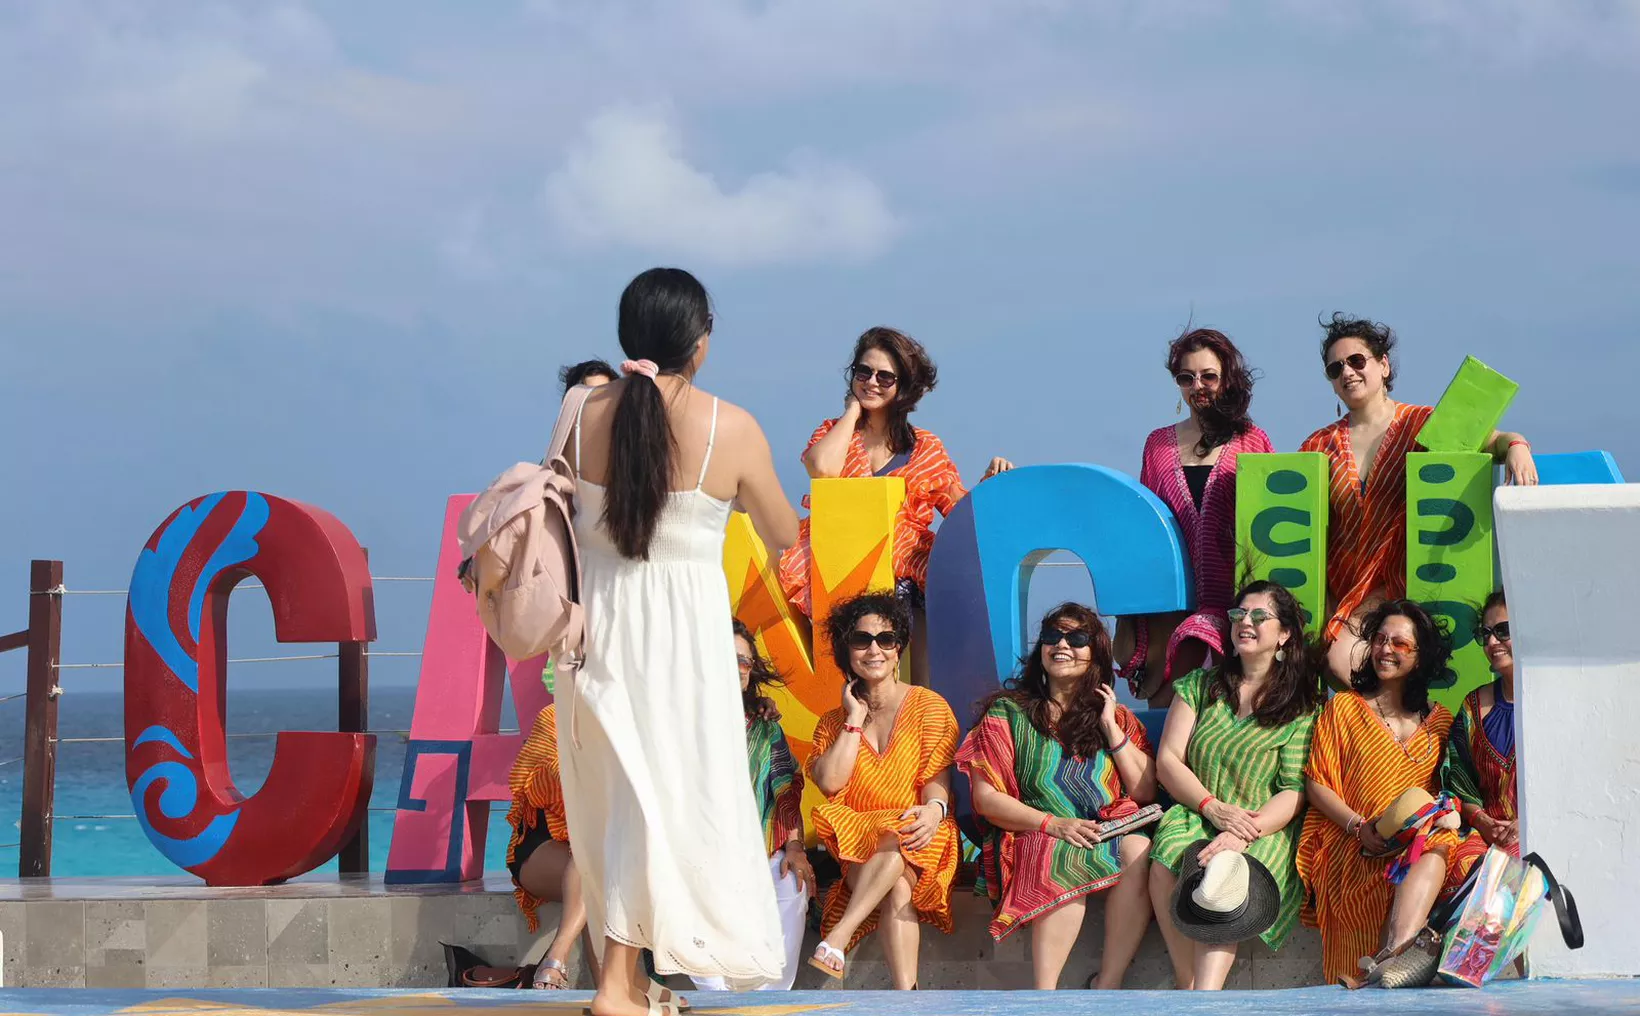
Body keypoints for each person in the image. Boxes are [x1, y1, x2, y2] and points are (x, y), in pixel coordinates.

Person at [559, 267, 801, 1016]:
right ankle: (614, 987)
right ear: (699, 342)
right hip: (682, 639)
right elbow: (783, 533)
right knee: (662, 801)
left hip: (595, 626)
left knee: (613, 802)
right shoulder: (731, 426)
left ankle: (631, 980)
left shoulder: (580, 409)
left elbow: (558, 511)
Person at [1299, 314, 1538, 687]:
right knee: (1331, 666)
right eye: (1335, 368)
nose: (1347, 372)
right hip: (1340, 588)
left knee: (1343, 662)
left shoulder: (1423, 423)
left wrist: (1518, 447)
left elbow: (1493, 439)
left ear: (1383, 364)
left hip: (1404, 583)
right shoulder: (1318, 445)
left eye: (1357, 360)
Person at [776, 327, 1012, 684]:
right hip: (836, 577)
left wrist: (991, 485)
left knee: (913, 687)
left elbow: (960, 514)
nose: (871, 382)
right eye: (863, 371)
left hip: (902, 581)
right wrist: (852, 412)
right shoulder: (832, 432)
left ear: (903, 386)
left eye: (884, 376)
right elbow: (822, 469)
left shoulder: (925, 448)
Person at [956, 602, 1159, 990]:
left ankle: (1108, 985)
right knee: (1061, 853)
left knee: (1138, 849)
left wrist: (1110, 728)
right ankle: (1045, 996)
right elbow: (986, 799)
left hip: (1103, 831)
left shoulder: (1116, 718)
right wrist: (1055, 824)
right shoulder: (1007, 713)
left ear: (1095, 654)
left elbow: (1144, 791)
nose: (1062, 645)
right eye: (1053, 636)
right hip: (1034, 828)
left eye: (1077, 638)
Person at [1296, 600, 1486, 985]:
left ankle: (1394, 954)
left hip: (1416, 849)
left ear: (1421, 656)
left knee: (1442, 839)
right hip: (1352, 843)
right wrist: (1357, 826)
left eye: (1399, 643)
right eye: (1379, 639)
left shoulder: (1440, 721)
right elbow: (1317, 783)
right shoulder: (1344, 708)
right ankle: (1387, 964)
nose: (1385, 649)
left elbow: (1445, 793)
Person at [1147, 581, 1323, 990]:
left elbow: (1293, 789)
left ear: (1284, 634)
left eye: (1259, 616)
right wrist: (1212, 807)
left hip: (1263, 822)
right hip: (1199, 809)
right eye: (1239, 614)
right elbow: (1168, 761)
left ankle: (1206, 998)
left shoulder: (1302, 703)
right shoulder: (1200, 686)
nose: (1246, 622)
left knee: (1226, 875)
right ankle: (1187, 984)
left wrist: (1243, 832)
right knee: (1165, 861)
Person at [804, 592, 959, 990]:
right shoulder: (832, 723)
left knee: (898, 841)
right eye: (861, 640)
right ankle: (908, 998)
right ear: (846, 650)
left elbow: (936, 778)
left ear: (898, 647)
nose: (874, 649)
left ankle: (838, 938)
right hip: (857, 837)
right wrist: (854, 720)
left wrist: (935, 809)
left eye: (885, 639)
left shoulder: (929, 706)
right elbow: (831, 782)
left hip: (920, 827)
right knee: (896, 875)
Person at [1125, 328, 1276, 708]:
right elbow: (1146, 525)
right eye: (1186, 378)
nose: (1198, 386)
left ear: (1227, 379)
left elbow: (1269, 522)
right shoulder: (1157, 444)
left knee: (1232, 706)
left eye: (1208, 376)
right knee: (1168, 705)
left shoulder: (1253, 441)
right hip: (1173, 601)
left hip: (1237, 600)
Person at [689, 620, 819, 992]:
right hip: (695, 854)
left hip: (756, 852)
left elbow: (786, 791)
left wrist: (795, 847)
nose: (735, 668)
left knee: (791, 880)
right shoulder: (679, 725)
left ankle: (770, 1001)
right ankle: (716, 1002)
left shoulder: (765, 729)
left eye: (743, 661)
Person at [506, 703, 596, 989]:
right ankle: (557, 955)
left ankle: (611, 989)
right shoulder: (555, 716)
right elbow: (555, 776)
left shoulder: (638, 724)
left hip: (603, 855)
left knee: (606, 877)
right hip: (540, 849)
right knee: (596, 865)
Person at [1444, 590, 1519, 856]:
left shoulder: (1558, 704)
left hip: (1546, 829)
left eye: (1503, 630)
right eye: (1485, 634)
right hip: (1485, 835)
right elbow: (1458, 780)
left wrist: (1530, 822)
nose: (1492, 641)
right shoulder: (1472, 706)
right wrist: (1482, 821)